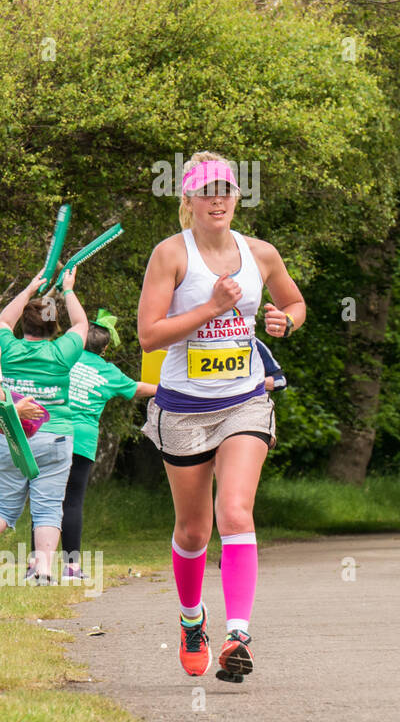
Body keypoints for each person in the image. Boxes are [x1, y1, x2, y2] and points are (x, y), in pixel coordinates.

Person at [137, 151, 306, 681]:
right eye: (205, 190)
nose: (217, 198)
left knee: (235, 510)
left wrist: (284, 321)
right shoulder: (170, 255)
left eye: (225, 189)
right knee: (193, 530)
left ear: (237, 196)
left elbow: (295, 305)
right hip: (183, 409)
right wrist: (210, 307)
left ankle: (238, 635)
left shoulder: (261, 253)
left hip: (244, 400)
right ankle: (192, 620)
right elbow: (149, 336)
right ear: (187, 200)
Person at [0, 269, 88, 583]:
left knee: (5, 508)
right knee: (49, 505)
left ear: (26, 322)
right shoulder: (61, 352)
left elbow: (3, 320)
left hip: (12, 434)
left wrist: (28, 291)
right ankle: (44, 571)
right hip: (55, 435)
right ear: (53, 326)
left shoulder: (8, 348)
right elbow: (81, 324)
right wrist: (68, 290)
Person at [57, 309, 157, 580]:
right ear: (105, 348)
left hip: (51, 433)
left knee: (46, 499)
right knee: (73, 502)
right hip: (83, 440)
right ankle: (71, 567)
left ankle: (37, 565)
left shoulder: (64, 356)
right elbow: (136, 388)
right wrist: (165, 388)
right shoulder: (108, 371)